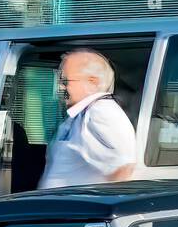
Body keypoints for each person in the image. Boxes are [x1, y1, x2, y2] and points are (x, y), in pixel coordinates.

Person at [37, 49, 136, 190]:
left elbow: (122, 170)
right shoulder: (83, 113)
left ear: (92, 82)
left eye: (65, 81)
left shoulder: (101, 113)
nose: (60, 86)